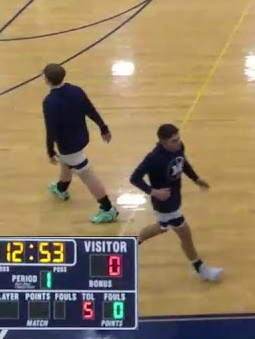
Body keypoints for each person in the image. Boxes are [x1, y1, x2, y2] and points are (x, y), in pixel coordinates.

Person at [129, 124, 223, 281]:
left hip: (175, 198)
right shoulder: (153, 158)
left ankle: (132, 243)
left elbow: (183, 162)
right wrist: (153, 192)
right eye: (174, 141)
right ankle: (201, 269)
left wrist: (196, 178)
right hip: (165, 205)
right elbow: (134, 178)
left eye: (179, 138)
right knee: (185, 234)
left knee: (162, 227)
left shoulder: (178, 147)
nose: (178, 142)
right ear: (163, 142)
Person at [41, 63, 117, 223]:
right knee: (66, 162)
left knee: (87, 175)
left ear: (47, 80)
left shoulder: (49, 102)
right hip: (82, 137)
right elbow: (90, 109)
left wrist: (50, 150)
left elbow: (51, 128)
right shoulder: (76, 90)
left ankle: (107, 208)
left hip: (68, 144)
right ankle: (61, 188)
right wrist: (103, 127)